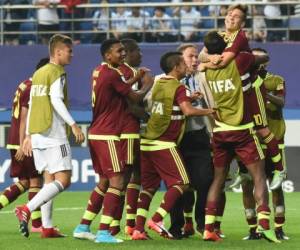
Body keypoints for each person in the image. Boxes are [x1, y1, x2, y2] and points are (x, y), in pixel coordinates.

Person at [201, 31, 279, 243]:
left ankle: (208, 228)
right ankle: (264, 226)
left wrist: (209, 59)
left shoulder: (206, 69)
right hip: (242, 130)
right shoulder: (239, 61)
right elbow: (264, 58)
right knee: (259, 177)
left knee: (218, 179)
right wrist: (234, 49)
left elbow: (202, 59)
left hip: (219, 131)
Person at [200, 4, 285, 190]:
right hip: (235, 91)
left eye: (236, 16)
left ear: (242, 22)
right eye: (230, 14)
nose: (231, 17)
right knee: (240, 131)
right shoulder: (219, 36)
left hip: (251, 90)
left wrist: (210, 61)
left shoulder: (239, 37)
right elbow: (200, 56)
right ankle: (244, 171)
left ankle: (280, 169)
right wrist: (207, 60)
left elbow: (225, 61)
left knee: (261, 129)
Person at [131, 51, 215, 240]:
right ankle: (157, 219)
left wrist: (188, 98)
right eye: (183, 64)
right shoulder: (178, 86)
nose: (187, 67)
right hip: (163, 143)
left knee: (149, 188)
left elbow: (169, 104)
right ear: (176, 67)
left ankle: (138, 229)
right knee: (182, 183)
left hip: (146, 142)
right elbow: (188, 111)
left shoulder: (158, 83)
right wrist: (210, 110)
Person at [75, 39, 151, 244]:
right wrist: (147, 84)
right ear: (108, 55)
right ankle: (104, 232)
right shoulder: (112, 74)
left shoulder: (99, 70)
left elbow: (120, 86)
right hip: (108, 133)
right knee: (118, 181)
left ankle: (83, 226)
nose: (123, 54)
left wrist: (136, 75)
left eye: (124, 50)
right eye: (119, 51)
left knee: (104, 181)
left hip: (98, 132)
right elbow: (134, 97)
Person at [15, 34, 85, 238]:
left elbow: (34, 105)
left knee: (49, 180)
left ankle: (46, 227)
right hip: (53, 133)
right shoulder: (56, 71)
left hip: (37, 134)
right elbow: (55, 100)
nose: (72, 54)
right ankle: (27, 209)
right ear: (58, 52)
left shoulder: (38, 73)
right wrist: (73, 125)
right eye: (69, 50)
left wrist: (28, 135)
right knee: (64, 179)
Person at [238, 48, 289, 241]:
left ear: (264, 62)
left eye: (257, 57)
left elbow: (281, 102)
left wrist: (261, 93)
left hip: (274, 140)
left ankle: (278, 228)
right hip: (249, 141)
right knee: (246, 184)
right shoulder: (242, 81)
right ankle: (253, 229)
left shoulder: (275, 80)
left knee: (276, 186)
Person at [168, 44, 215, 239]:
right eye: (190, 56)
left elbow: (214, 103)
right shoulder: (167, 82)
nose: (195, 60)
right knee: (178, 184)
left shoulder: (204, 78)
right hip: (176, 139)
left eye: (196, 56)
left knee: (204, 182)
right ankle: (176, 226)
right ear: (179, 61)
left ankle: (203, 225)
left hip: (199, 137)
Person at [0, 58, 49, 233]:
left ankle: (34, 222)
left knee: (25, 182)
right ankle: (36, 224)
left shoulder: (25, 84)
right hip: (23, 142)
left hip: (16, 140)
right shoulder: (32, 88)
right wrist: (23, 143)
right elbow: (24, 117)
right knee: (35, 180)